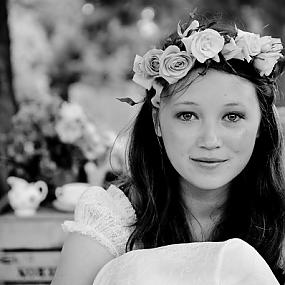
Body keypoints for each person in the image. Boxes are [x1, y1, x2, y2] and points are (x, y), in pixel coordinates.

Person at [51, 13, 285, 285]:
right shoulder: (111, 220)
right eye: (187, 116)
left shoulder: (278, 219)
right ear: (157, 122)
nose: (210, 140)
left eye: (232, 117)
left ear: (260, 124)